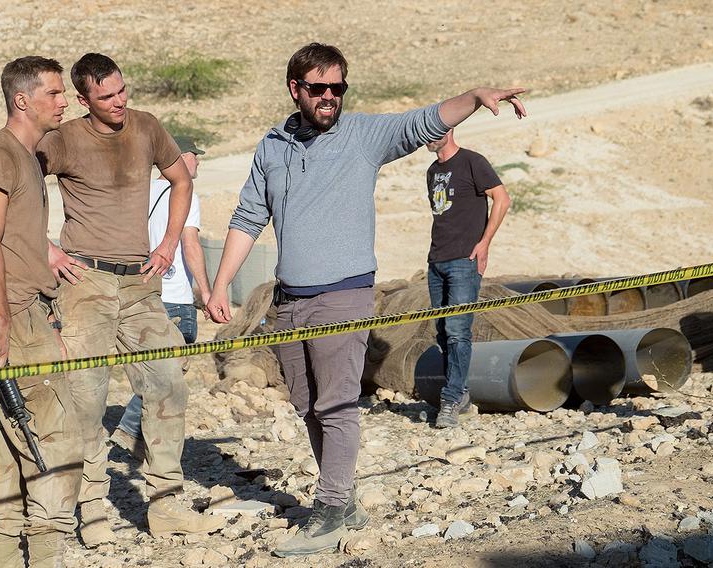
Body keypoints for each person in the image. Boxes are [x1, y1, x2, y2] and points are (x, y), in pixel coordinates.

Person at [205, 42, 526, 557]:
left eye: (338, 87)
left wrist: (474, 95)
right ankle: (345, 500)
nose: (330, 97)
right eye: (319, 88)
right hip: (290, 300)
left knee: (336, 402)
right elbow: (248, 217)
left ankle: (330, 510)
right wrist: (221, 284)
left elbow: (421, 122)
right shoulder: (271, 146)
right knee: (308, 404)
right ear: (296, 89)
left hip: (344, 295)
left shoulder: (362, 137)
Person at [36, 53, 225, 546]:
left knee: (168, 383)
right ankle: (93, 512)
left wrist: (167, 245)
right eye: (106, 96)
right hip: (85, 285)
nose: (119, 102)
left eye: (122, 91)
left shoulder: (146, 127)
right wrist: (47, 248)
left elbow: (181, 179)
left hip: (141, 282)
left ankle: (165, 508)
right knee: (86, 399)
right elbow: (18, 185)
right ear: (84, 100)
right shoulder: (63, 138)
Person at [0, 55, 82, 568]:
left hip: (31, 312)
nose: (64, 101)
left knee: (16, 459)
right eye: (55, 93)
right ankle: (47, 554)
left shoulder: (27, 157)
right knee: (56, 447)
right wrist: (5, 322)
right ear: (23, 100)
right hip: (12, 317)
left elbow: (15, 238)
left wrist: (47, 253)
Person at [111, 136, 212, 457]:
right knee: (166, 370)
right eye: (195, 156)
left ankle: (143, 440)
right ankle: (129, 431)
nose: (199, 162)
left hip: (142, 295)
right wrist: (206, 291)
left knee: (155, 368)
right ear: (180, 157)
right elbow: (190, 244)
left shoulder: (140, 193)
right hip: (175, 296)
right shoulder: (183, 193)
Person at [424, 130, 511, 428]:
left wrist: (485, 242)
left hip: (465, 261)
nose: (427, 137)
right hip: (436, 261)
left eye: (433, 131)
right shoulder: (432, 171)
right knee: (442, 332)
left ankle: (449, 400)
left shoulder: (473, 161)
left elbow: (502, 199)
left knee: (458, 330)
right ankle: (459, 393)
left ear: (448, 131)